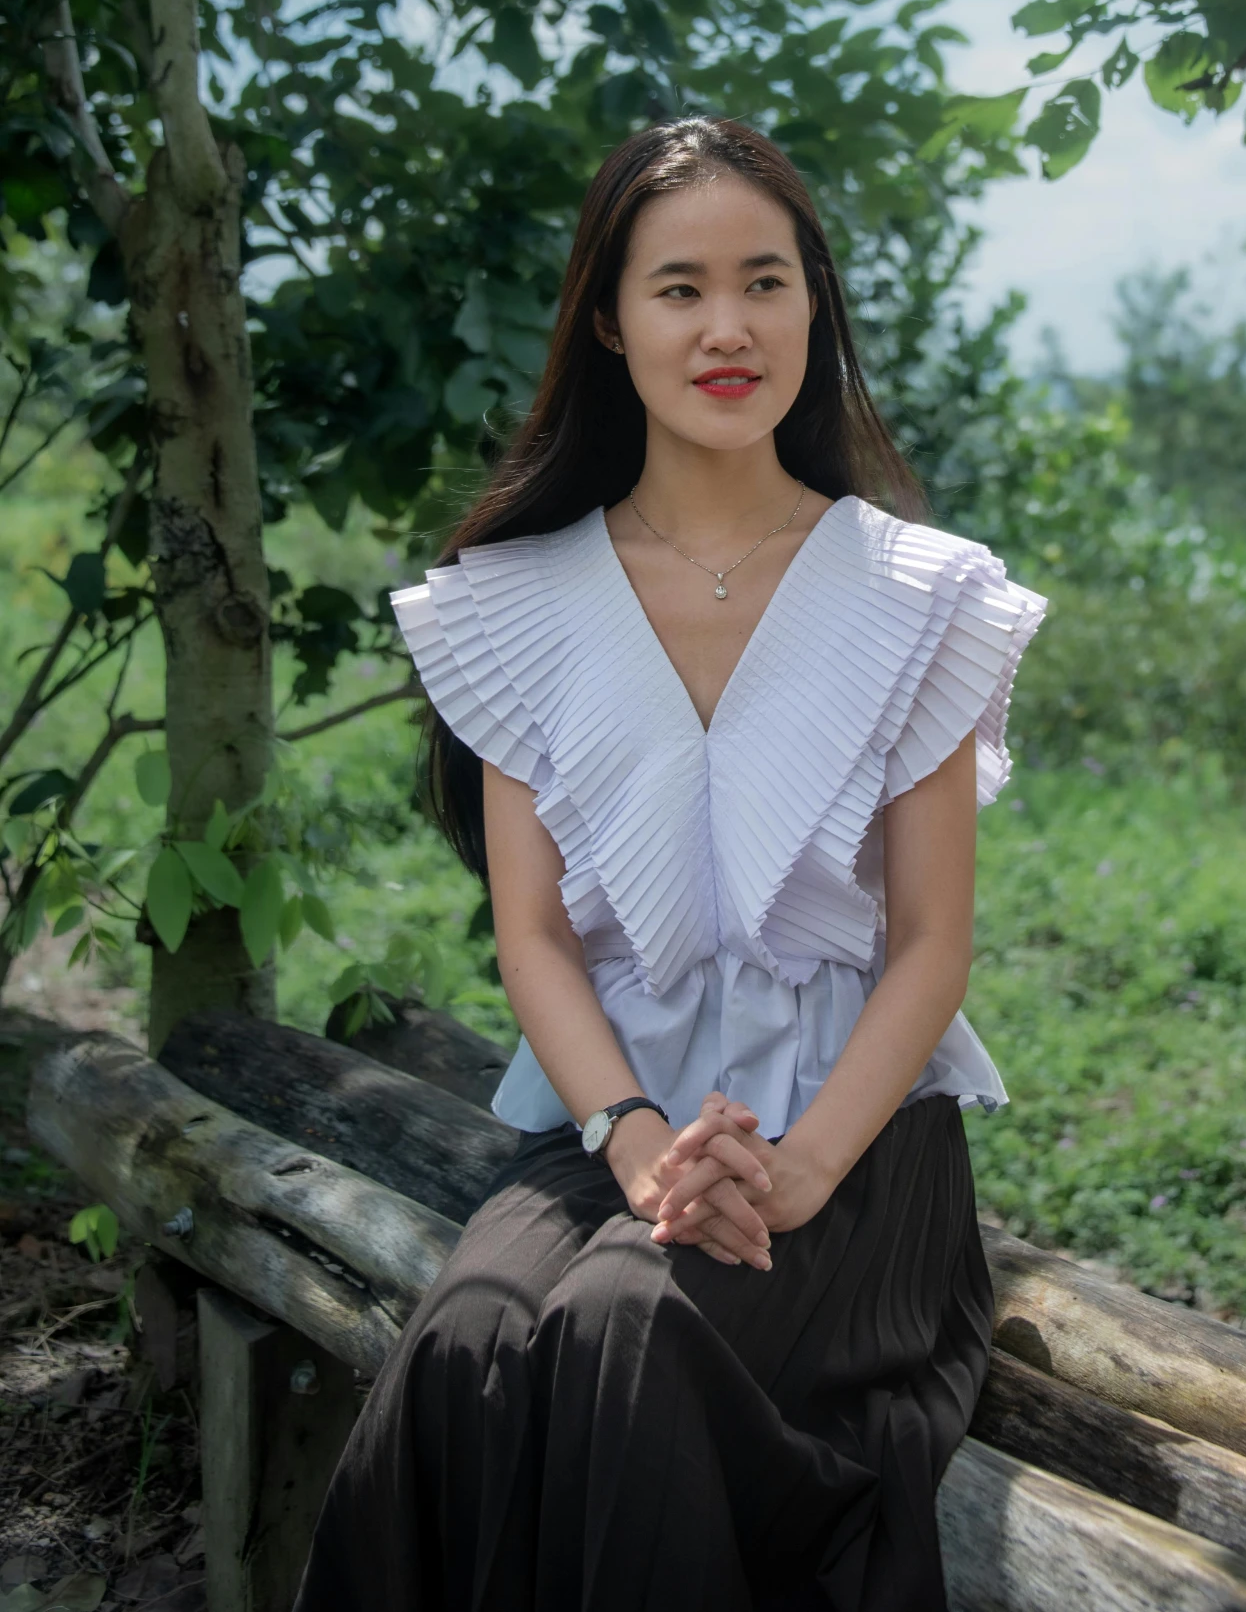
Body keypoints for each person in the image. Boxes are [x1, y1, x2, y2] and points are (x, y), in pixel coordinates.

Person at [293, 115, 1047, 1612]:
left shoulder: (922, 593)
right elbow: (537, 942)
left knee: (630, 1329)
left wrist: (797, 1172)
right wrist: (639, 1143)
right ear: (608, 320)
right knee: (474, 1337)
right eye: (680, 288)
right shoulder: (514, 600)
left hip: (855, 1144)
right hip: (607, 1123)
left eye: (766, 282)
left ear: (814, 308)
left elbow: (930, 948)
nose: (728, 327)